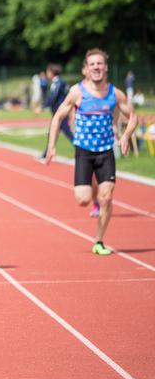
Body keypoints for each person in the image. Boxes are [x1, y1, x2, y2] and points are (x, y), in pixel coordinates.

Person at [44, 48, 137, 255]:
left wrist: (125, 136)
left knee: (107, 196)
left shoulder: (115, 93)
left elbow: (133, 116)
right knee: (83, 200)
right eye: (92, 64)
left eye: (99, 64)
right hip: (84, 151)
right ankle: (93, 188)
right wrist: (51, 145)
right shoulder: (77, 92)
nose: (96, 67)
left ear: (105, 68)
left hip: (106, 152)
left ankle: (99, 241)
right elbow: (58, 117)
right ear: (85, 69)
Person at [39, 63, 70, 161]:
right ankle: (46, 153)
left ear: (52, 72)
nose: (47, 74)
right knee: (52, 133)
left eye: (48, 71)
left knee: (68, 132)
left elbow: (53, 96)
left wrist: (43, 106)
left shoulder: (58, 82)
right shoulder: (55, 82)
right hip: (57, 112)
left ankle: (82, 151)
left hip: (60, 112)